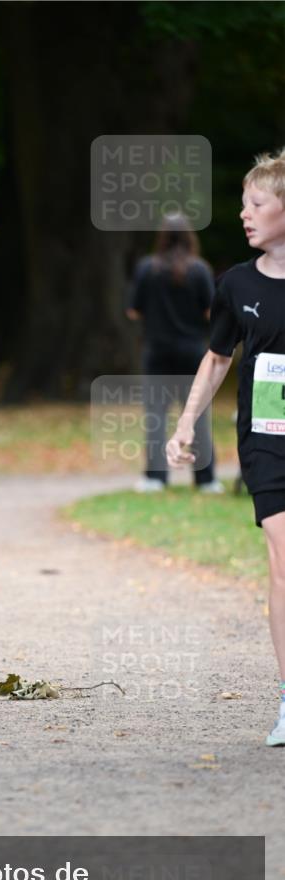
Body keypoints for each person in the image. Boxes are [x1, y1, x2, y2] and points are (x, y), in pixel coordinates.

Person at [166, 149, 285, 748]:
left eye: (256, 204)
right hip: (267, 443)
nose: (244, 214)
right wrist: (187, 424)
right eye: (243, 204)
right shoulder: (236, 283)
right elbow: (217, 360)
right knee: (284, 554)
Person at [127, 213, 223, 494]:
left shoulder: (147, 268)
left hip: (157, 352)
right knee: (197, 414)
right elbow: (211, 311)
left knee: (156, 416)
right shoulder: (200, 270)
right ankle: (206, 480)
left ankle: (156, 478)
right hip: (193, 353)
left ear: (162, 237)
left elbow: (133, 310)